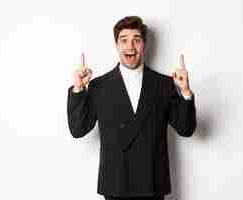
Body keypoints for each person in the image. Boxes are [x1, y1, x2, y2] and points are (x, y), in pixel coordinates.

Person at [67, 16, 196, 200]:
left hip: (152, 184)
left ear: (144, 44)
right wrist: (78, 89)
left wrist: (185, 92)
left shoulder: (164, 84)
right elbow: (78, 129)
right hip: (115, 185)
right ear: (116, 44)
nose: (130, 46)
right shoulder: (99, 86)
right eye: (124, 40)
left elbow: (186, 129)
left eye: (136, 40)